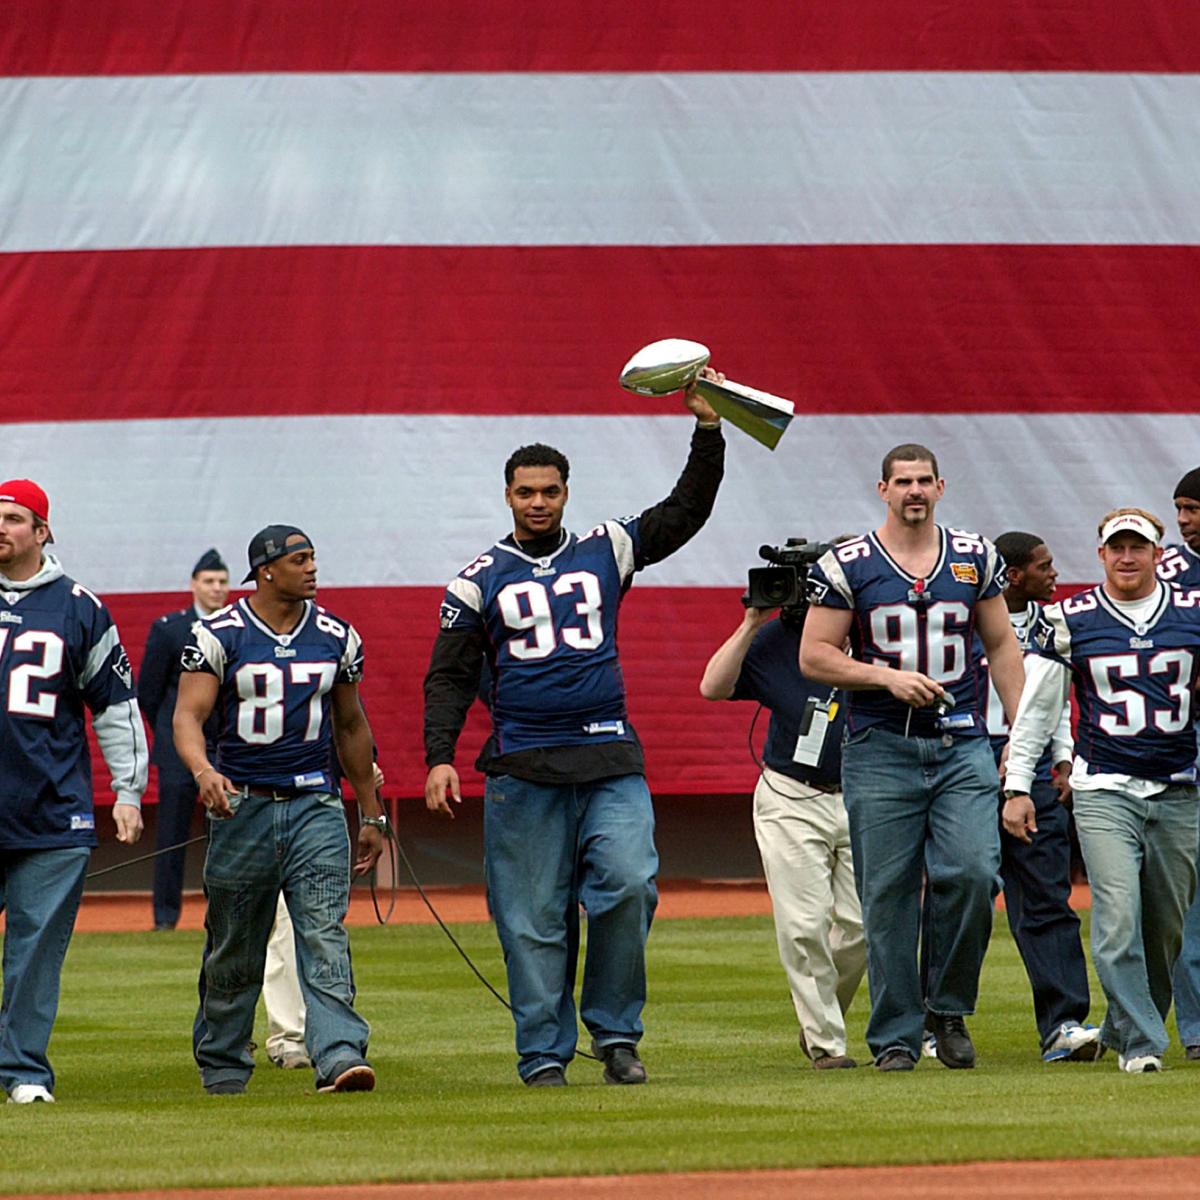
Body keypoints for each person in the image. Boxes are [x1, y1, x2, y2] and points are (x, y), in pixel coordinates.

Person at [423, 373, 726, 1087]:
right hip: (523, 769)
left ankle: (616, 1035)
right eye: (525, 492)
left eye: (549, 491)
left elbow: (683, 512)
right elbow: (449, 677)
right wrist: (440, 757)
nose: (537, 503)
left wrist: (708, 432)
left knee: (627, 885)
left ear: (566, 492)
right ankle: (544, 1055)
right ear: (507, 496)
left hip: (608, 757)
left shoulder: (607, 547)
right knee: (532, 923)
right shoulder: (476, 580)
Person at [799, 444, 1024, 1072]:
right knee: (887, 893)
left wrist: (1024, 743)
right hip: (880, 745)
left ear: (942, 486)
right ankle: (896, 1034)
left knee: (975, 874)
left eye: (925, 480)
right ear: (883, 489)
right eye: (904, 482)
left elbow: (1002, 644)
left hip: (961, 742)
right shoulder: (849, 563)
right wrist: (883, 678)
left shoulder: (976, 556)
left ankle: (946, 1009)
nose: (915, 491)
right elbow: (815, 654)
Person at [173, 524, 386, 1095]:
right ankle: (222, 1060)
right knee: (235, 943)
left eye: (313, 556)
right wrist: (203, 771)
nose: (313, 567)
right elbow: (187, 716)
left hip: (316, 801)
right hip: (243, 804)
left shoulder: (337, 635)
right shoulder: (219, 634)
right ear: (266, 570)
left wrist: (371, 812)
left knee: (323, 932)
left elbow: (350, 724)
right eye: (300, 559)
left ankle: (339, 1054)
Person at [1004, 508, 1200, 1073]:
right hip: (1103, 787)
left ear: (1158, 553)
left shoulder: (1191, 612)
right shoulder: (1071, 618)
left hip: (1177, 786)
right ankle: (1142, 1043)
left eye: (1138, 546)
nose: (1127, 556)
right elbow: (1039, 709)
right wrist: (1019, 785)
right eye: (1117, 547)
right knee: (1117, 916)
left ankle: (1120, 1026)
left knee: (1166, 926)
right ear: (1101, 554)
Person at [0, 479, 147, 1104]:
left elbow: (115, 707)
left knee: (34, 954)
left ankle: (24, 1071)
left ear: (42, 531)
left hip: (51, 811)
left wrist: (129, 791)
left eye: (12, 518)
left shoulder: (80, 608)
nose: (0, 529)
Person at [699, 588, 864, 1069]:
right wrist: (752, 622)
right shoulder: (781, 638)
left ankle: (821, 1015)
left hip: (866, 793)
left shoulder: (882, 639)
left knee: (863, 928)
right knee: (803, 924)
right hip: (793, 793)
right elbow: (712, 686)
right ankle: (826, 1043)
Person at [967, 531, 1100, 1063]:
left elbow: (1058, 700)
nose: (1054, 574)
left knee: (1047, 897)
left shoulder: (1054, 626)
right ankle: (940, 1019)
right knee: (964, 892)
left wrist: (1062, 757)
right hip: (973, 762)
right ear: (1014, 575)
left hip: (1038, 765)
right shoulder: (967, 623)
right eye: (1044, 567)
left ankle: (1064, 1023)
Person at [139, 548, 230, 931]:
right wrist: (174, 731)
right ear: (194, 584)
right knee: (172, 833)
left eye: (223, 582)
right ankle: (164, 917)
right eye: (209, 581)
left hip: (222, 748)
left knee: (222, 834)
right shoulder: (170, 629)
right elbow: (149, 691)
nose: (216, 588)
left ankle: (221, 916)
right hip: (177, 749)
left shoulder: (233, 627)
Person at [1156, 468, 1200, 1059]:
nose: (1185, 521)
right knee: (1187, 901)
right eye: (1180, 509)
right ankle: (1194, 1032)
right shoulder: (1168, 573)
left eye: (1193, 509)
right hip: (1182, 742)